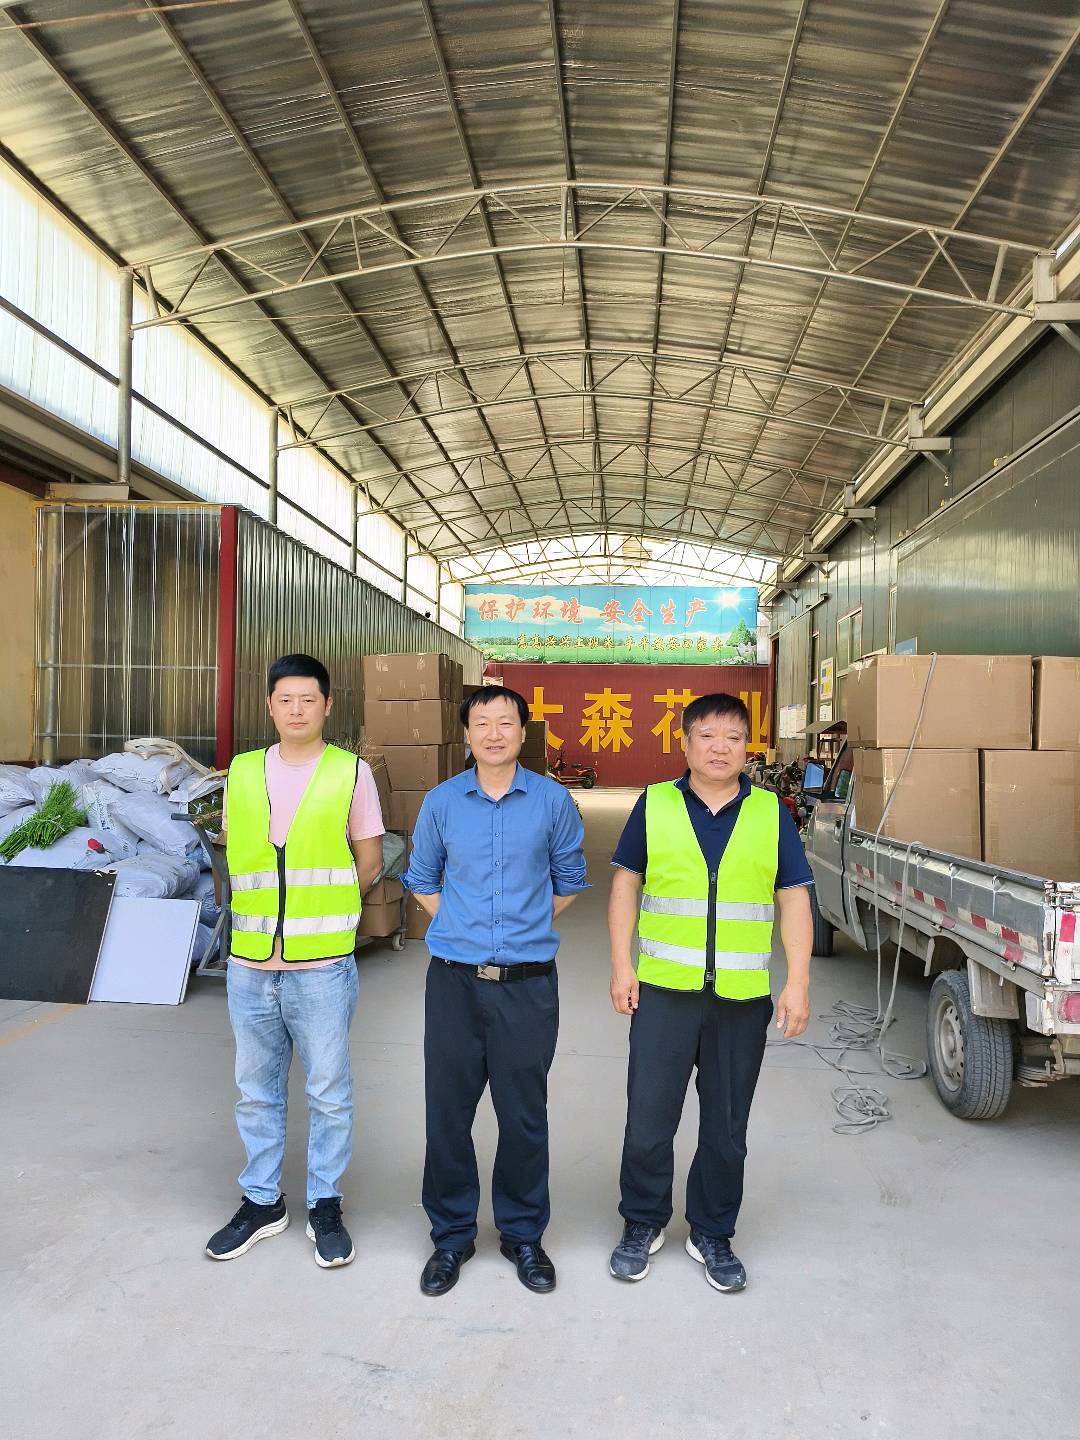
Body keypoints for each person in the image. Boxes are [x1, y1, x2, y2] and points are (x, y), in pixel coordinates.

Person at [607, 693, 813, 1292]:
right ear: (685, 742)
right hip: (664, 991)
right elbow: (625, 885)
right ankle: (642, 1222)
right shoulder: (656, 803)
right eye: (707, 735)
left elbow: (793, 897)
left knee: (726, 1126)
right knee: (648, 1119)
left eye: (733, 736)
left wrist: (797, 982)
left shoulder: (771, 812)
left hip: (741, 999)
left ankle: (712, 1231)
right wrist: (621, 965)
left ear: (748, 746)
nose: (720, 747)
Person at [403, 685, 589, 1297]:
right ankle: (451, 1236)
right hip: (453, 984)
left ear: (522, 732)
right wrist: (464, 928)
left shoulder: (552, 801)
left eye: (505, 722)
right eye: (481, 723)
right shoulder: (441, 802)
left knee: (523, 1116)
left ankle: (523, 1235)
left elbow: (569, 880)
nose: (493, 733)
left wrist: (521, 928)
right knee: (447, 1115)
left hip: (527, 987)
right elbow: (421, 879)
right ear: (466, 735)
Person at [205, 654, 384, 1269]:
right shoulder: (242, 772)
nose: (297, 710)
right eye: (286, 699)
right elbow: (238, 854)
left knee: (329, 1091)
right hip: (251, 963)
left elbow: (370, 858)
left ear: (328, 705)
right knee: (255, 1091)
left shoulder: (351, 773)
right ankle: (262, 1201)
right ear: (270, 706)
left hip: (322, 966)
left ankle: (324, 1202)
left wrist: (331, 915)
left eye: (309, 699)